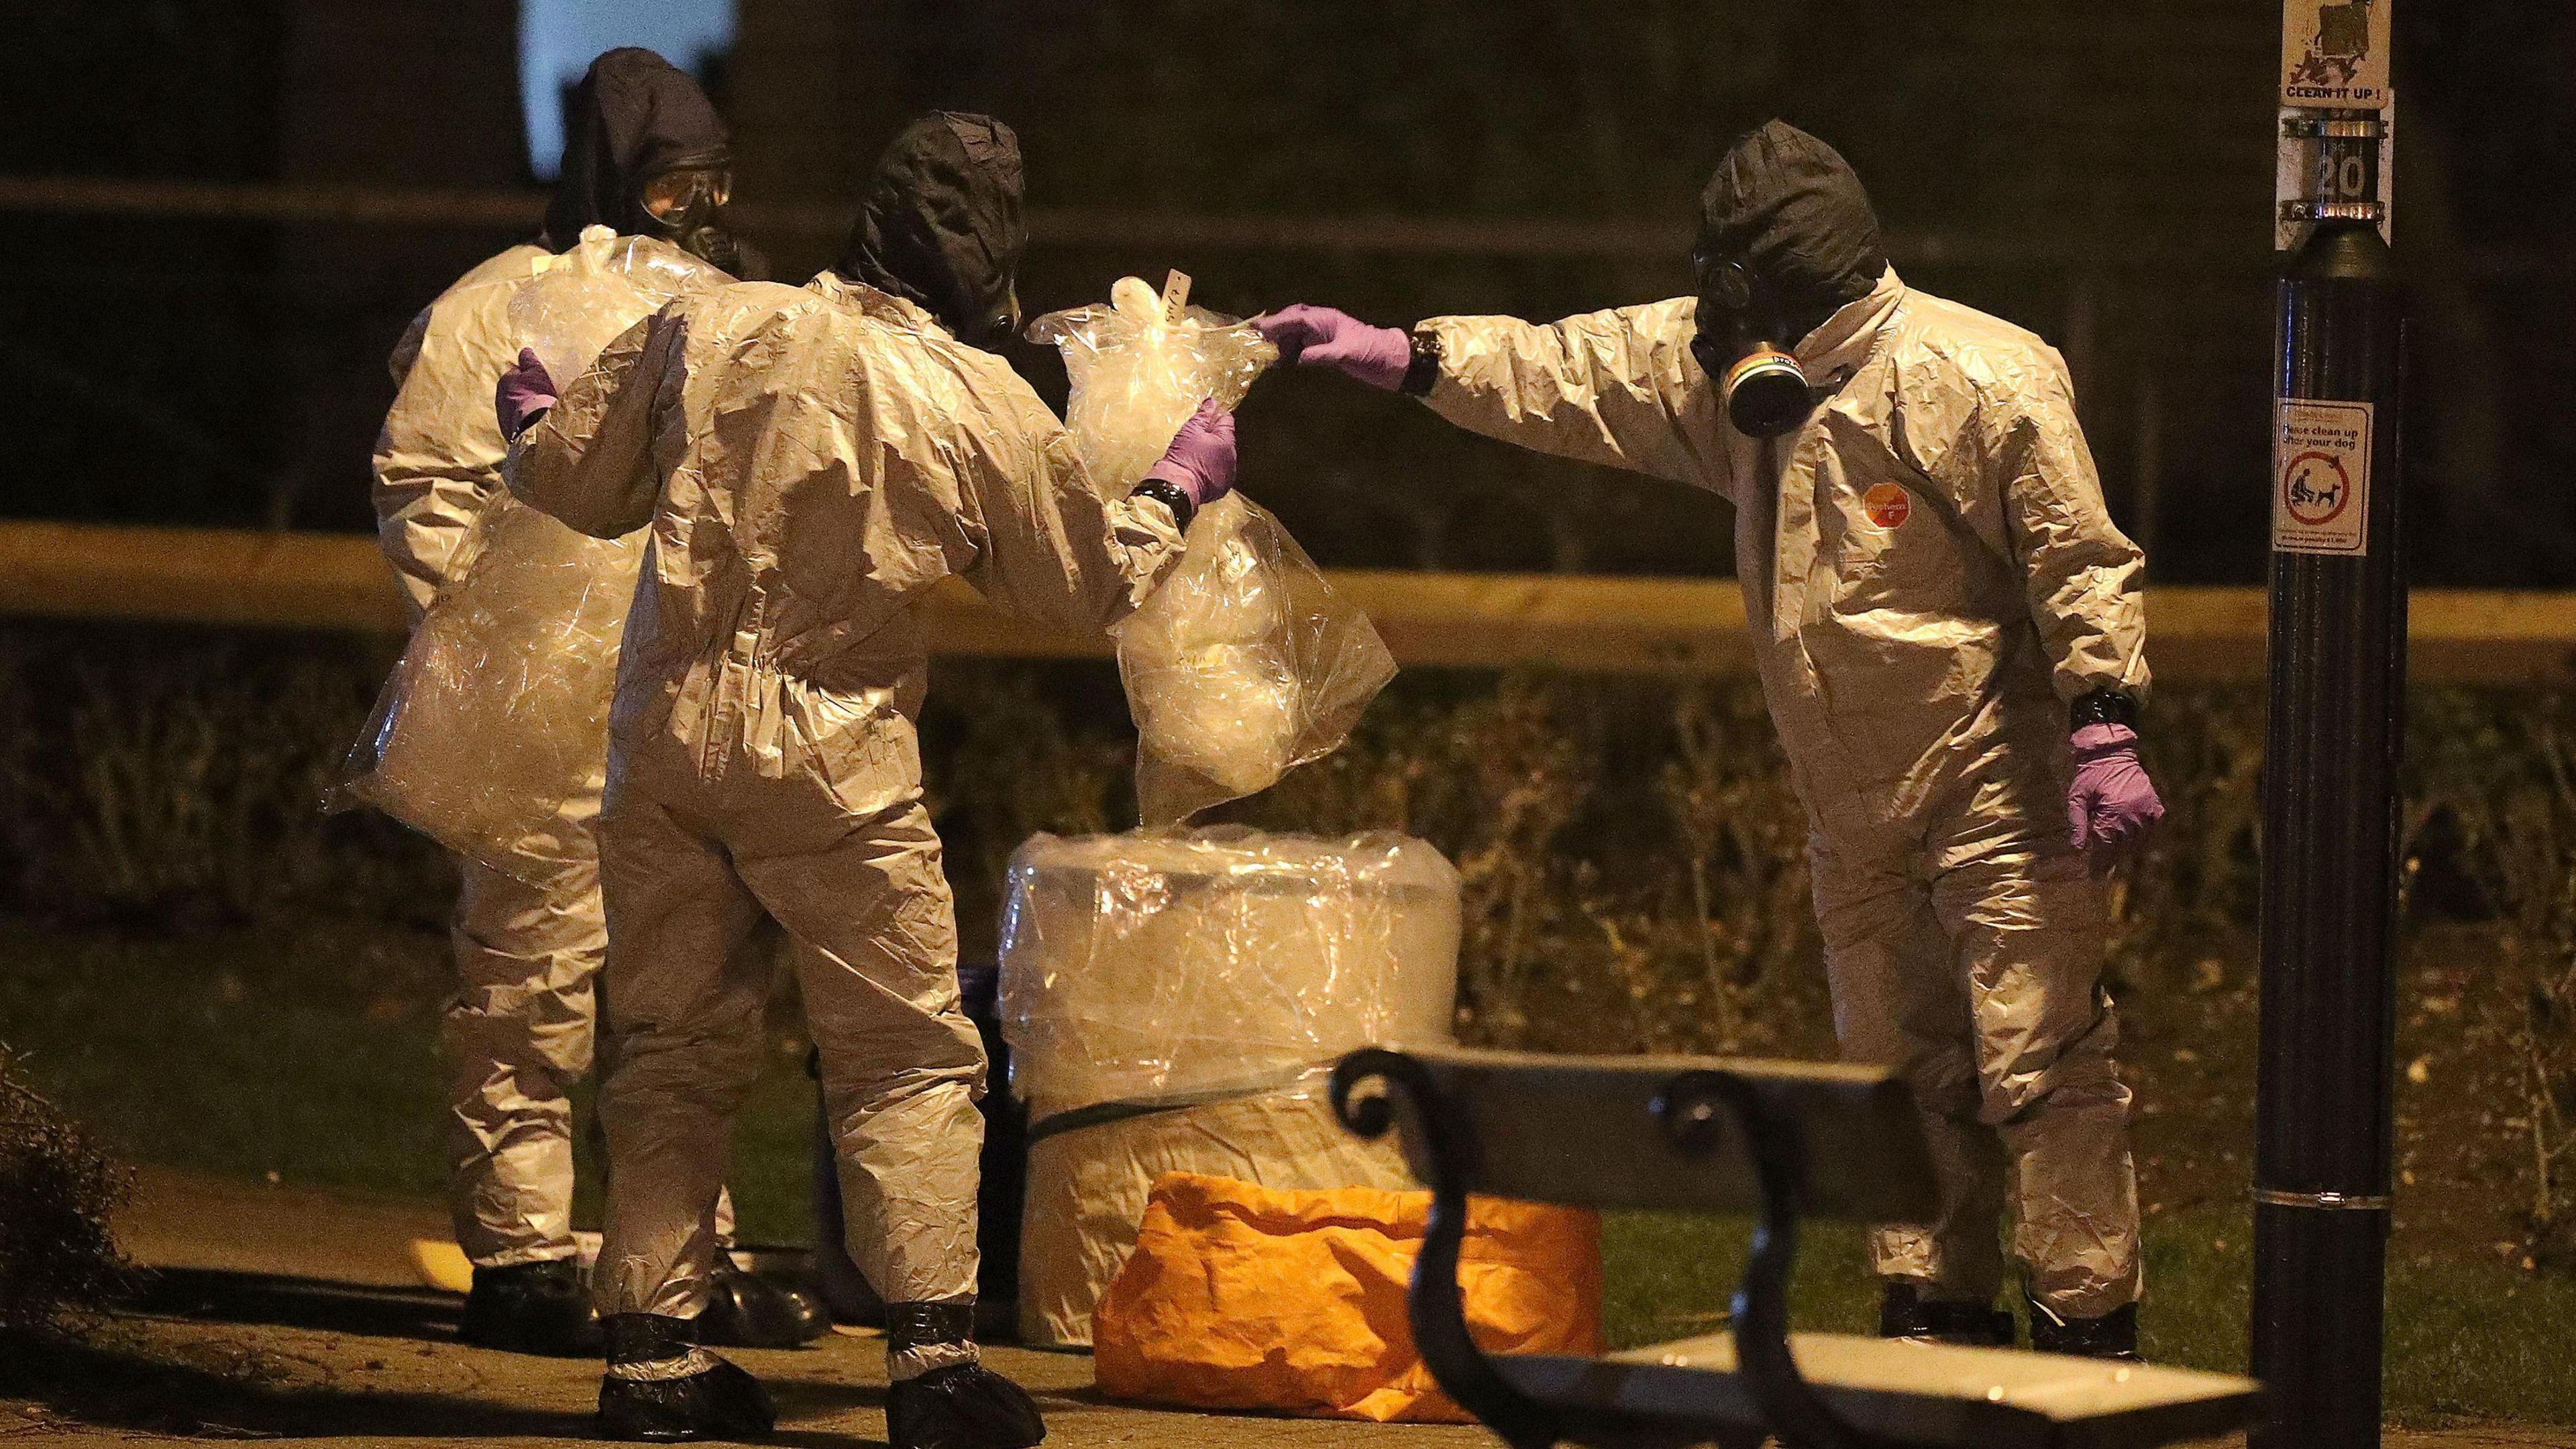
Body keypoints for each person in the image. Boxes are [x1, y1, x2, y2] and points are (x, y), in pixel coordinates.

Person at [1255, 120, 2162, 1360]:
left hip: (1998, 786)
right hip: (1854, 807)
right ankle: (1935, 1326)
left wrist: (2104, 717)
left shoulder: (1983, 375)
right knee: (1901, 1085)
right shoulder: (1737, 380)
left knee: (2040, 1065)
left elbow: (2075, 553)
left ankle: (2087, 1339)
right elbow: (1570, 370)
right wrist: (1403, 355)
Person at [501, 111, 1230, 1444]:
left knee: (667, 1040)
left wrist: (530, 413)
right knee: (900, 1051)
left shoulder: (709, 323)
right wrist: (1175, 489)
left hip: (661, 733)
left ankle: (651, 1357)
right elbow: (1082, 584)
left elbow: (571, 478)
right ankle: (932, 1361)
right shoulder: (975, 399)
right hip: (832, 756)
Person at [370, 46, 817, 1357]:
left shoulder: (731, 310)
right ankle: (518, 1256)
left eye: (716, 183)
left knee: (687, 991)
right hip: (544, 713)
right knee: (527, 975)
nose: (704, 210)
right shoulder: (494, 311)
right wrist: (506, 629)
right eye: (680, 184)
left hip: (680, 697)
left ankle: (680, 1265)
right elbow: (422, 484)